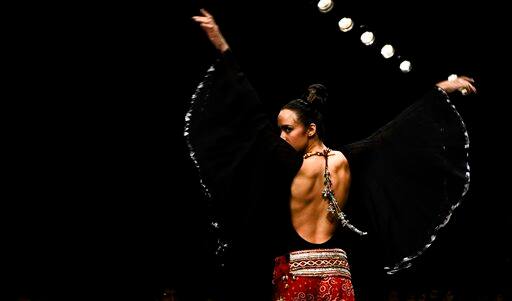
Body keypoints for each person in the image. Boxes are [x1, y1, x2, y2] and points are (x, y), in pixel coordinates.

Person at [189, 8, 476, 301]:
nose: (281, 137)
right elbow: (399, 129)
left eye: (287, 129)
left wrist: (219, 41)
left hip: (294, 276)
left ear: (311, 129)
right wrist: (441, 89)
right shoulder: (347, 159)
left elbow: (246, 101)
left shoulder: (287, 161)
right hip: (338, 275)